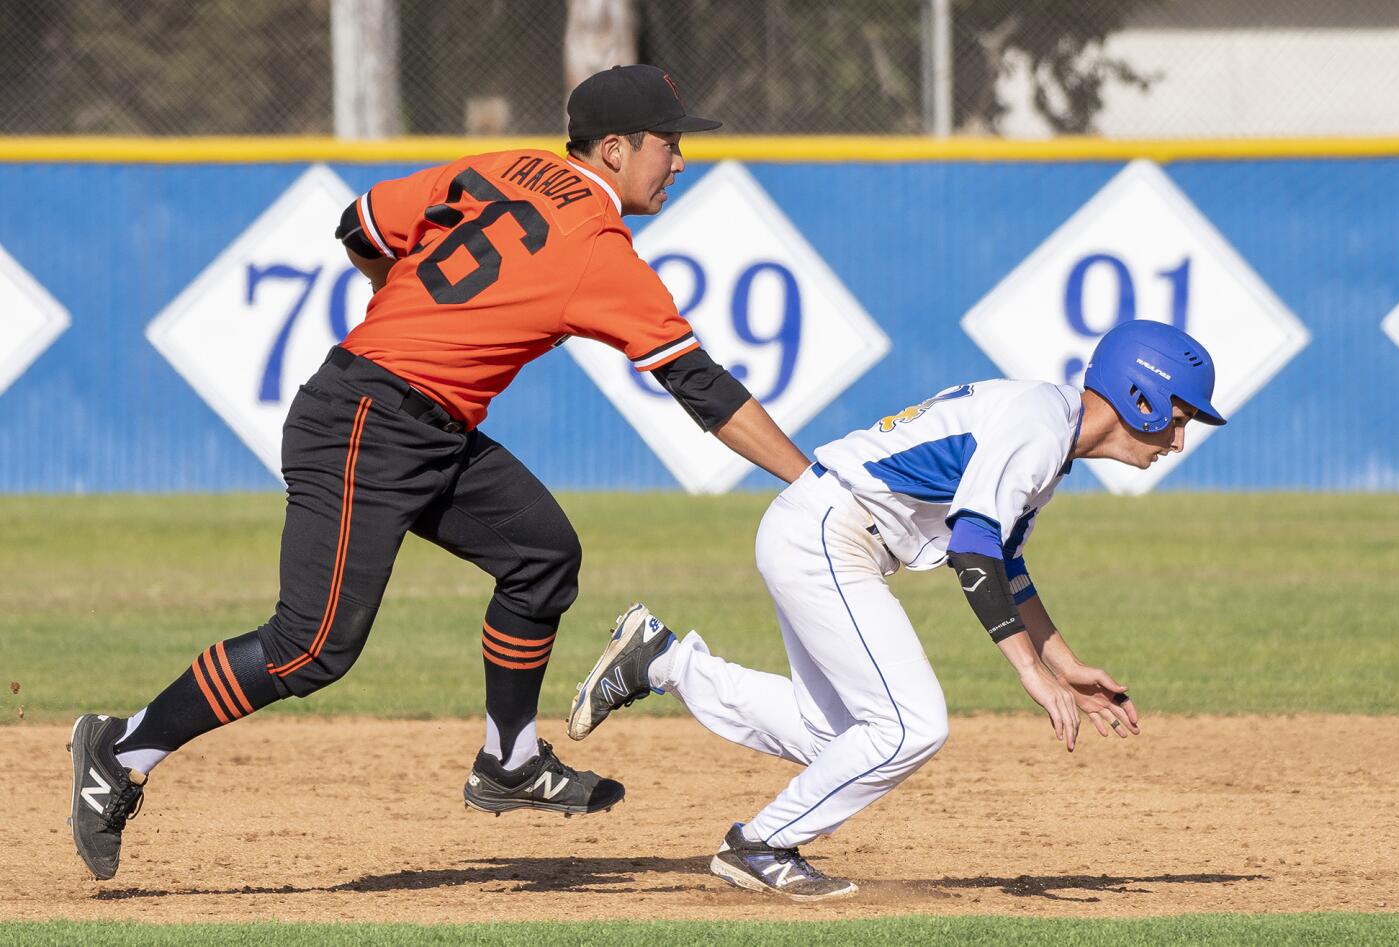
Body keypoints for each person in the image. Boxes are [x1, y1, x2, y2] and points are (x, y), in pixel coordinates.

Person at [66, 64, 812, 881]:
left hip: (420, 423)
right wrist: (809, 482)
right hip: (366, 422)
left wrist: (402, 300)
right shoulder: (596, 248)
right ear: (614, 147)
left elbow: (362, 222)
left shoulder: (499, 167)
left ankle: (510, 759)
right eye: (668, 144)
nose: (678, 161)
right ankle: (122, 747)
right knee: (311, 645)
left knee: (540, 554)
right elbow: (700, 385)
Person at [567, 320, 1225, 901]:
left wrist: (1066, 662)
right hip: (831, 531)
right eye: (1181, 413)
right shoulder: (1040, 425)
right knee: (911, 724)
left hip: (824, 528)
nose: (1178, 435)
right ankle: (759, 844)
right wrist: (1029, 671)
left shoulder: (1047, 433)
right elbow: (973, 550)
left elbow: (1009, 567)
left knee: (838, 739)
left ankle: (664, 660)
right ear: (1140, 398)